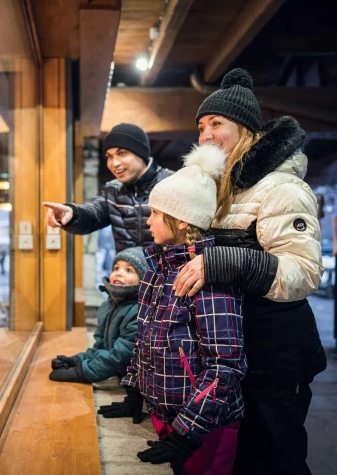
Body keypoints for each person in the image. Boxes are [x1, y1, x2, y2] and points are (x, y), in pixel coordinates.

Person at [173, 68, 327, 475]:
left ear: (246, 130)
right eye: (201, 126)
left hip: (277, 356)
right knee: (244, 461)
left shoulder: (280, 188)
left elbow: (304, 272)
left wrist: (225, 262)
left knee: (278, 459)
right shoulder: (224, 189)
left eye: (216, 124)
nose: (205, 135)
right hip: (241, 354)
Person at [113, 146, 246, 475]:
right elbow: (144, 339)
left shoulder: (207, 278)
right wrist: (134, 388)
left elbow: (225, 365)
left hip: (204, 426)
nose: (148, 221)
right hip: (164, 413)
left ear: (183, 220)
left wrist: (188, 432)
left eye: (156, 213)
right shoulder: (157, 269)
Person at [43, 123, 173, 252]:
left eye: (122, 153)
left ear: (141, 154)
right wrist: (72, 213)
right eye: (109, 156)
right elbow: (93, 214)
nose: (114, 163)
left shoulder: (174, 183)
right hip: (127, 271)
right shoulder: (113, 190)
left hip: (170, 272)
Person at [48, 247, 146, 384]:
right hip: (120, 377)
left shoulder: (139, 312)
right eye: (116, 268)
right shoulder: (112, 304)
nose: (119, 273)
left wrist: (81, 372)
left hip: (136, 385)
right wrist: (77, 360)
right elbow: (102, 346)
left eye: (128, 270)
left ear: (143, 280)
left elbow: (119, 357)